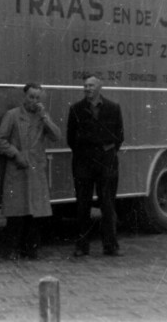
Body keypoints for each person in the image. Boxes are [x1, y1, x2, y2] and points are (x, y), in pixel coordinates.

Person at [0, 83, 61, 261]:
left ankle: (30, 250)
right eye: (31, 97)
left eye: (37, 98)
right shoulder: (13, 115)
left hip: (36, 170)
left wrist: (45, 117)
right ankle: (11, 250)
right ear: (24, 97)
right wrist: (16, 154)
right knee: (16, 214)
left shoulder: (42, 117)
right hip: (18, 170)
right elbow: (0, 140)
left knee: (34, 213)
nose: (33, 101)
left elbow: (57, 137)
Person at [67, 73, 124, 257]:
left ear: (100, 87)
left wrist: (105, 150)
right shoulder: (76, 109)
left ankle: (111, 246)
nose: (87, 89)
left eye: (91, 85)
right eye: (85, 86)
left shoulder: (113, 108)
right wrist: (86, 151)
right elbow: (71, 138)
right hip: (83, 163)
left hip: (106, 163)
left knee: (107, 205)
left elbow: (119, 136)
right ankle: (82, 247)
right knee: (82, 206)